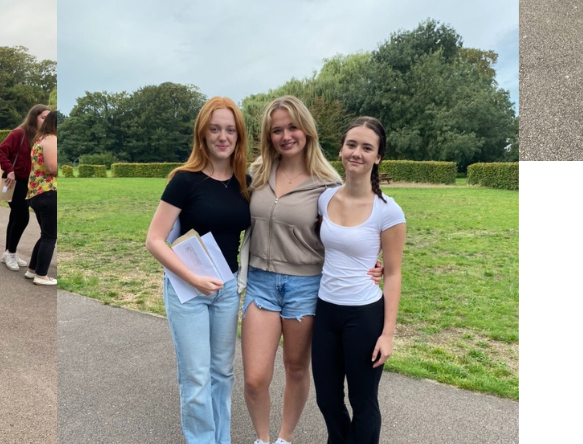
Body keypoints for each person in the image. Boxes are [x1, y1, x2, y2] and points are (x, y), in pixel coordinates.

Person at [145, 96, 251, 444]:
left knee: (223, 373)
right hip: (187, 290)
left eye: (230, 130)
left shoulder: (244, 182)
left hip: (226, 289)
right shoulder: (184, 181)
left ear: (239, 135)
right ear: (202, 134)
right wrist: (193, 279)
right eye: (215, 129)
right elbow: (155, 240)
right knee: (196, 378)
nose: (223, 136)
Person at [242, 95, 342, 444]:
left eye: (292, 127)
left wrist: (374, 264)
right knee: (255, 377)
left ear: (307, 130)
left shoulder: (329, 185)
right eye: (277, 130)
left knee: (297, 368)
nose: (286, 136)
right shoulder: (256, 173)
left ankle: (284, 438)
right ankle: (262, 438)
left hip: (306, 286)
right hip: (259, 283)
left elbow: (351, 232)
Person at [311, 118, 406, 444]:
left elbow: (393, 273)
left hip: (364, 316)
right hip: (325, 311)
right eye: (352, 145)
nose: (357, 153)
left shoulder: (388, 211)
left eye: (367, 148)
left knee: (363, 403)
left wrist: (388, 334)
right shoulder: (324, 199)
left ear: (378, 157)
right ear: (341, 150)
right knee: (326, 399)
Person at [0, 104, 47, 271]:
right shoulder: (19, 133)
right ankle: (10, 252)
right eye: (43, 118)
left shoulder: (40, 136)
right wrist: (9, 170)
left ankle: (9, 253)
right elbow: (1, 151)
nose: (45, 121)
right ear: (34, 117)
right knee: (22, 217)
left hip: (27, 183)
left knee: (15, 217)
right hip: (14, 181)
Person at [24, 110, 59, 285]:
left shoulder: (40, 139)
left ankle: (32, 269)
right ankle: (42, 275)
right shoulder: (52, 139)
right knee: (51, 236)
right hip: (49, 192)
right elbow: (52, 167)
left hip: (37, 192)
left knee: (45, 234)